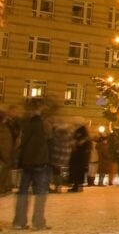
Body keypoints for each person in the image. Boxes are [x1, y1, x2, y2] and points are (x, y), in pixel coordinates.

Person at [13, 99, 53, 231]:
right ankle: (38, 222)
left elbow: (22, 142)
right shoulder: (43, 124)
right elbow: (48, 140)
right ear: (40, 109)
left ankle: (19, 221)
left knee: (23, 192)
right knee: (41, 193)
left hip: (27, 162)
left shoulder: (26, 123)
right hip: (40, 162)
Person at [68, 125, 92, 192]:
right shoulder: (84, 136)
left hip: (79, 157)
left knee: (77, 171)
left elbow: (80, 144)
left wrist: (75, 144)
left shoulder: (82, 137)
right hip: (80, 157)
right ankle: (77, 186)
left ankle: (77, 186)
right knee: (79, 172)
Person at [0, 107, 13, 195]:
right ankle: (2, 188)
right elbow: (5, 145)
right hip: (4, 155)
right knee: (5, 168)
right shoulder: (3, 130)